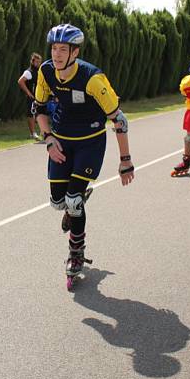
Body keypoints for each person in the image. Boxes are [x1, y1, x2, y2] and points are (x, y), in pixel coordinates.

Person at [34, 23, 134, 289]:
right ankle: (72, 202)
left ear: (74, 52)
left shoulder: (92, 79)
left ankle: (75, 254)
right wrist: (48, 139)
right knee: (57, 203)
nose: (56, 54)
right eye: (54, 48)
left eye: (62, 49)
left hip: (90, 143)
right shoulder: (46, 71)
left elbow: (119, 120)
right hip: (61, 142)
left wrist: (125, 161)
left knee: (74, 201)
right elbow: (39, 108)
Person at [17, 52, 43, 141]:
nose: (38, 63)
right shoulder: (28, 72)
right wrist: (28, 93)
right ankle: (32, 133)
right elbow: (20, 81)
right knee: (31, 114)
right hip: (31, 97)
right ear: (32, 61)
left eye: (39, 62)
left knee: (39, 114)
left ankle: (42, 132)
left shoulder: (39, 71)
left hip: (39, 96)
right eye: (36, 62)